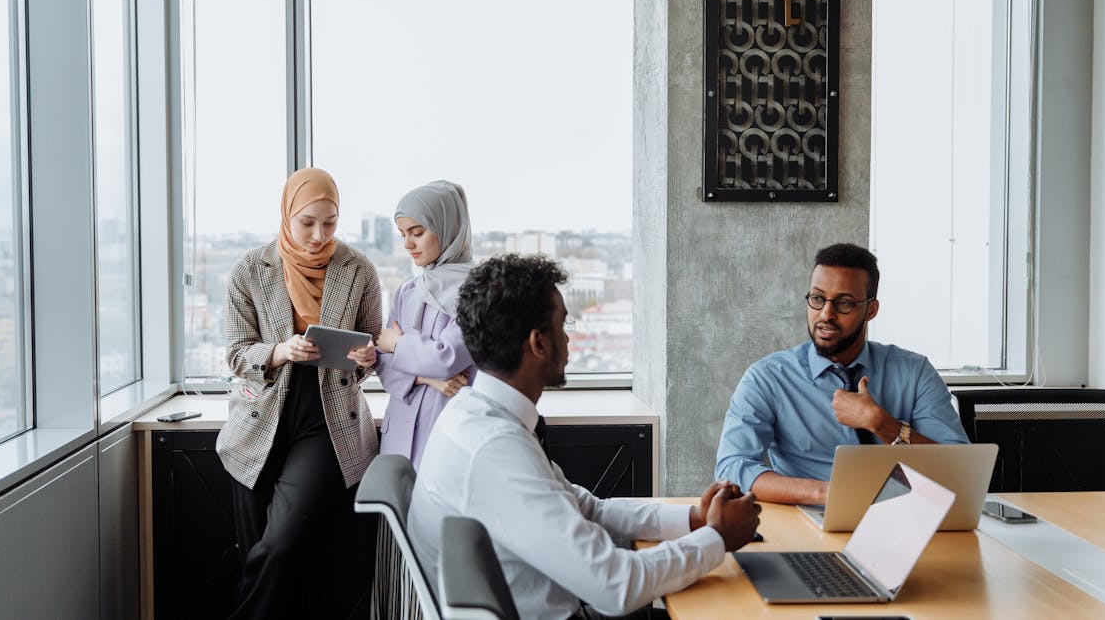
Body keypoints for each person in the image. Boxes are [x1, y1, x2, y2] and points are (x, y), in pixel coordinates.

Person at [408, 254, 762, 620]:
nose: (567, 337)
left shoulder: (477, 414)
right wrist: (717, 538)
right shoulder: (495, 446)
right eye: (563, 325)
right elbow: (616, 586)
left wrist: (695, 520)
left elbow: (589, 509)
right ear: (538, 344)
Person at [217, 167, 381, 619]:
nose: (318, 234)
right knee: (260, 553)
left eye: (329, 222)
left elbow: (375, 344)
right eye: (307, 222)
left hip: (329, 421)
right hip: (258, 420)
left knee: (280, 545)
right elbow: (235, 354)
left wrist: (368, 359)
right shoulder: (251, 269)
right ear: (287, 214)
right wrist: (279, 351)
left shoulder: (358, 269)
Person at [714, 242, 969, 506]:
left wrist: (883, 424)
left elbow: (959, 470)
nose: (826, 314)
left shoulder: (915, 372)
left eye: (844, 303)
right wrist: (828, 493)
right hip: (808, 520)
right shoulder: (768, 378)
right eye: (817, 298)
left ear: (871, 310)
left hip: (904, 517)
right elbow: (732, 466)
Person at [374, 180, 476, 467]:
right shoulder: (408, 291)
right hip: (400, 426)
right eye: (403, 234)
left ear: (448, 229)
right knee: (395, 504)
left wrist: (398, 344)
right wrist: (426, 378)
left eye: (417, 233)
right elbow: (381, 361)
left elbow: (447, 358)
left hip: (446, 422)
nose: (408, 244)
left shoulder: (477, 290)